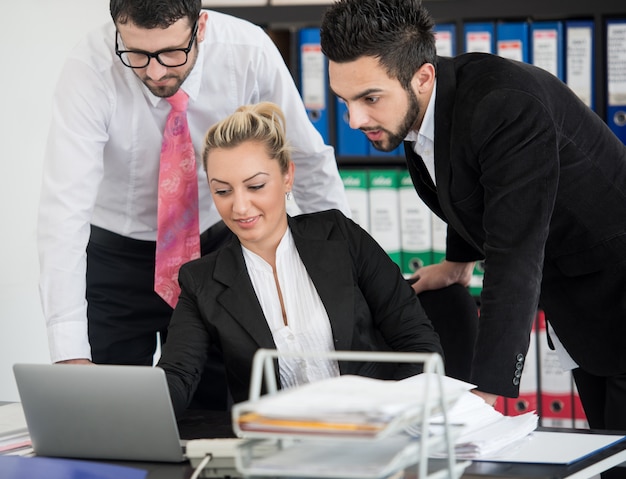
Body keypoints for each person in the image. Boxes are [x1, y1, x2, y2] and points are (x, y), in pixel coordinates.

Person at [320, 0, 626, 437]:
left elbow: (514, 254)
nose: (354, 119)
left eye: (369, 98)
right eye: (344, 100)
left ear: (422, 76)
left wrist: (486, 392)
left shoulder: (504, 105)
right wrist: (457, 263)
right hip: (583, 308)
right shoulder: (421, 106)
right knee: (606, 450)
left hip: (614, 288)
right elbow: (467, 185)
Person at [37, 0, 350, 409]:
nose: (154, 71)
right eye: (136, 53)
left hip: (215, 247)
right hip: (116, 256)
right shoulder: (90, 68)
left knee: (221, 403)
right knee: (108, 414)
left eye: (171, 52)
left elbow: (306, 160)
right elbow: (64, 208)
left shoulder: (248, 51)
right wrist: (69, 352)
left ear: (200, 27)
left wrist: (336, 280)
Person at [157, 101, 444, 415]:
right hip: (277, 447)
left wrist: (393, 418)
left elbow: (417, 343)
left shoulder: (340, 236)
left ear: (287, 176)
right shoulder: (202, 281)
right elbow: (178, 377)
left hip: (375, 431)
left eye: (255, 186)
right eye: (222, 191)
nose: (239, 207)